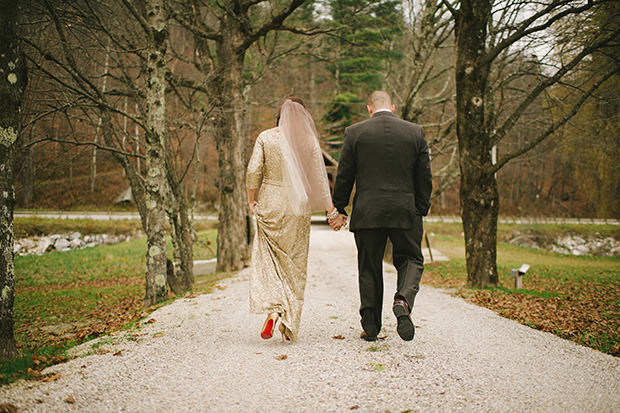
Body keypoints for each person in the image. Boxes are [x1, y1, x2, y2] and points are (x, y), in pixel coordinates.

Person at [330, 91, 432, 342]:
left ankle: (371, 326)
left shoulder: (354, 132)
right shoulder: (415, 132)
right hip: (405, 210)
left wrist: (339, 208)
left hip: (368, 211)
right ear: (393, 107)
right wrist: (421, 207)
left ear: (369, 109)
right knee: (410, 258)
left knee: (369, 266)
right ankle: (403, 300)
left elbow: (345, 174)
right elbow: (424, 176)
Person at [246, 97, 340, 342]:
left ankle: (274, 310)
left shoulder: (265, 137)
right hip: (297, 207)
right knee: (295, 265)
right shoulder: (307, 141)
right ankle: (288, 322)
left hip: (269, 202)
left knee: (270, 260)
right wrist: (331, 212)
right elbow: (320, 179)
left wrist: (250, 199)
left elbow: (253, 170)